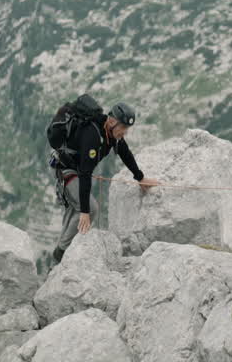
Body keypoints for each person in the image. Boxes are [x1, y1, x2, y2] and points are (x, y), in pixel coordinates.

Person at [48, 102, 159, 269]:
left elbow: (125, 153)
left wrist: (140, 178)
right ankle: (61, 253)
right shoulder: (93, 135)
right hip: (66, 171)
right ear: (113, 122)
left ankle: (57, 262)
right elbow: (85, 174)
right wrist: (86, 211)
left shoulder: (111, 134)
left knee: (74, 211)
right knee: (90, 209)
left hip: (76, 171)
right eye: (123, 127)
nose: (125, 132)